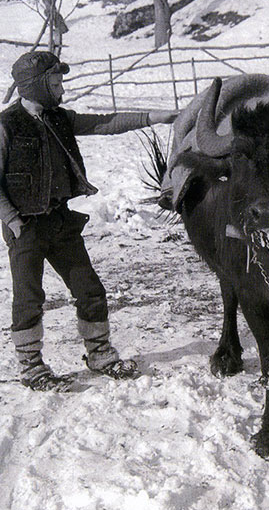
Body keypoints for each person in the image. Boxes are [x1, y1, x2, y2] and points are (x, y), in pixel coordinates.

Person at [0, 51, 178, 391]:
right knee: (28, 299)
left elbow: (105, 123)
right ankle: (32, 368)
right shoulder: (6, 126)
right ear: (36, 86)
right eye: (55, 83)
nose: (62, 89)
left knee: (90, 290)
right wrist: (13, 220)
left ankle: (99, 355)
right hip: (24, 227)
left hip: (61, 222)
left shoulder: (59, 118)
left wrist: (158, 116)